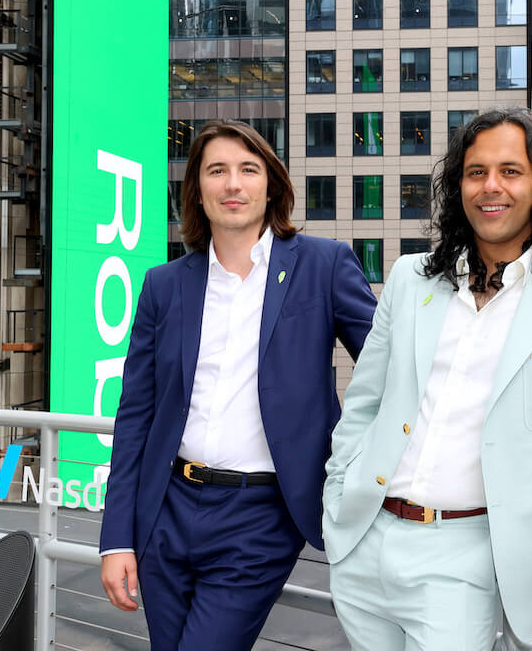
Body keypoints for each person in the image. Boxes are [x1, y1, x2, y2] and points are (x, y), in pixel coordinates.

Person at [322, 107, 532, 649]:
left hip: (466, 561)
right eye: (476, 171)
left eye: (511, 171)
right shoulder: (409, 278)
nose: (491, 187)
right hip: (364, 542)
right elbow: (364, 403)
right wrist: (338, 496)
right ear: (459, 185)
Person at [99, 120, 377, 650]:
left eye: (248, 169)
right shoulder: (164, 285)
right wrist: (116, 539)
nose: (233, 184)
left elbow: (387, 371)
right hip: (165, 510)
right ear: (198, 192)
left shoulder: (323, 265)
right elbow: (135, 415)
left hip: (261, 517)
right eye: (217, 171)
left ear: (270, 185)